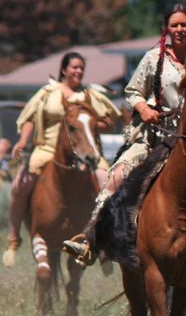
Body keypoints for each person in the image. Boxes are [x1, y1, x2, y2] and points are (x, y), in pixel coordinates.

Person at [63, 3, 186, 265]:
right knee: (117, 176)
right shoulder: (153, 58)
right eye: (174, 25)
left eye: (184, 24)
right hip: (156, 136)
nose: (180, 29)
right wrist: (144, 108)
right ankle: (90, 239)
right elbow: (133, 91)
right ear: (166, 29)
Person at [2, 52, 121, 267]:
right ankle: (13, 238)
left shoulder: (89, 95)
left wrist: (89, 125)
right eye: (74, 67)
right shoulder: (48, 92)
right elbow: (30, 118)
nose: (78, 71)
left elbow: (110, 122)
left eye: (81, 68)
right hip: (47, 148)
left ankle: (104, 239)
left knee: (107, 181)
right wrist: (22, 141)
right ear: (64, 70)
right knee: (21, 184)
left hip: (85, 150)